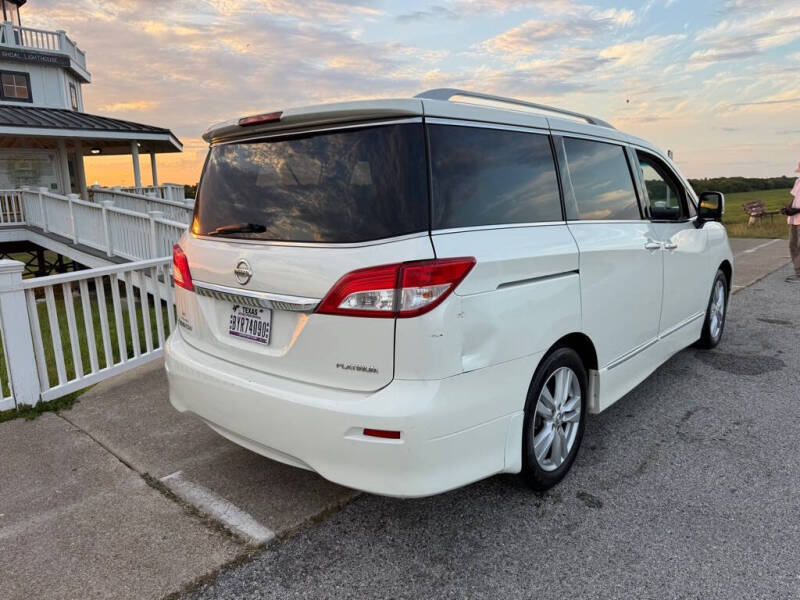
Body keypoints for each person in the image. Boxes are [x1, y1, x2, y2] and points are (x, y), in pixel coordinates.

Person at [781, 162, 800, 283]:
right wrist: (787, 208)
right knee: (792, 245)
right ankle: (798, 272)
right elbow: (795, 197)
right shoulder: (798, 181)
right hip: (794, 218)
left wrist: (795, 210)